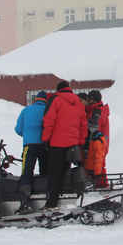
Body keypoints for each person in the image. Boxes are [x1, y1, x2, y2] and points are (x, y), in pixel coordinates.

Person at [41, 81, 88, 210]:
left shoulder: (56, 100)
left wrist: (45, 140)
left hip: (57, 144)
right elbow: (83, 126)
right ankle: (66, 199)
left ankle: (51, 203)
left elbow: (48, 121)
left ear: (58, 90)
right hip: (72, 145)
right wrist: (79, 142)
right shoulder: (78, 103)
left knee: (54, 173)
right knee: (66, 172)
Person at [14, 91, 49, 214]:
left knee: (27, 171)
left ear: (35, 99)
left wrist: (28, 134)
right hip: (45, 146)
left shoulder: (26, 110)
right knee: (45, 171)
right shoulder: (47, 109)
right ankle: (45, 199)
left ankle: (25, 202)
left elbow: (18, 129)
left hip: (29, 145)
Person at [85, 90, 110, 179]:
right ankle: (101, 186)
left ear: (93, 100)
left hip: (97, 146)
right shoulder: (96, 111)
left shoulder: (96, 114)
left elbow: (93, 131)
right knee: (98, 166)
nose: (87, 100)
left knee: (98, 168)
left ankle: (102, 186)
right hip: (99, 145)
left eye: (88, 98)